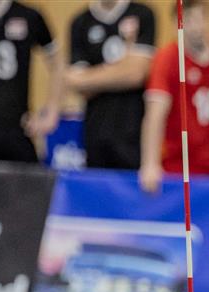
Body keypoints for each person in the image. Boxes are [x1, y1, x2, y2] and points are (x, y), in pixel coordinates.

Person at [139, 0, 209, 194]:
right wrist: (150, 163)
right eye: (189, 20)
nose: (197, 26)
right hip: (179, 170)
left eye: (201, 18)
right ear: (176, 25)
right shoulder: (167, 59)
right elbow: (155, 114)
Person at [67, 0, 156, 170]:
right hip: (95, 132)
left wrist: (90, 76)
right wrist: (125, 66)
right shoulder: (80, 22)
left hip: (133, 134)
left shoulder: (142, 14)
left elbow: (137, 75)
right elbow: (78, 85)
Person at [0, 0, 62, 163]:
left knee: (29, 176)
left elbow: (58, 64)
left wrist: (52, 111)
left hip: (17, 131)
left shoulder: (29, 16)